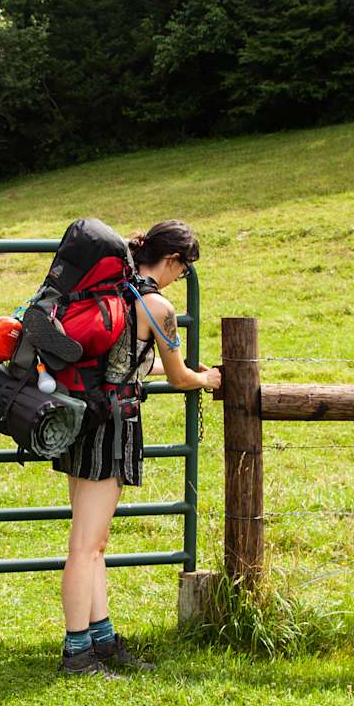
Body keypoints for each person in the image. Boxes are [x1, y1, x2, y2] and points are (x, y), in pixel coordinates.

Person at [52, 220, 220, 676]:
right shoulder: (156, 306)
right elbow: (180, 375)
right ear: (172, 261)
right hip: (112, 421)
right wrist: (208, 379)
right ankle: (76, 653)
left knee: (94, 541)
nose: (178, 280)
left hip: (80, 413)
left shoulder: (113, 292)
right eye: (182, 271)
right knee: (87, 545)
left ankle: (101, 639)